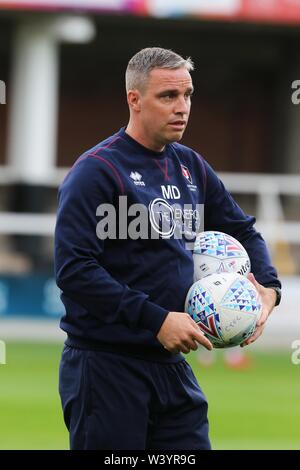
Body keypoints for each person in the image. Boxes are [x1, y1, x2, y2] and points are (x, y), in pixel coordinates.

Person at [55, 47, 281, 450]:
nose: (183, 107)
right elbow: (75, 271)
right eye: (168, 96)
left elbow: (243, 229)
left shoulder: (190, 165)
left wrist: (268, 289)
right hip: (106, 368)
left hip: (172, 370)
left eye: (188, 95)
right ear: (135, 100)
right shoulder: (97, 171)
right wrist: (157, 320)